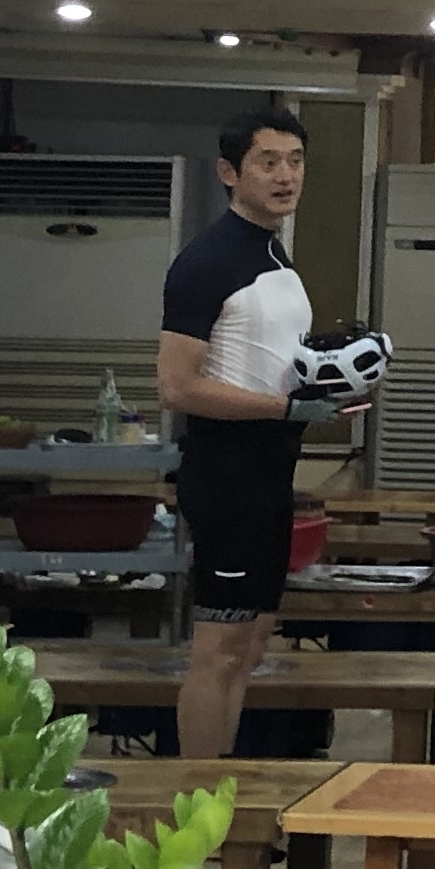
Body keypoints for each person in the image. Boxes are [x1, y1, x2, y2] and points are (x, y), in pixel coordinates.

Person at [159, 105, 368, 762]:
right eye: (268, 162)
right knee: (218, 649)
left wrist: (324, 385)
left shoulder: (274, 253)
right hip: (226, 476)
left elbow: (266, 362)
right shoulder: (207, 262)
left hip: (272, 474)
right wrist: (285, 411)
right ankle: (195, 798)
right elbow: (178, 386)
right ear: (230, 172)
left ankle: (225, 787)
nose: (286, 176)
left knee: (250, 646)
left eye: (296, 161)